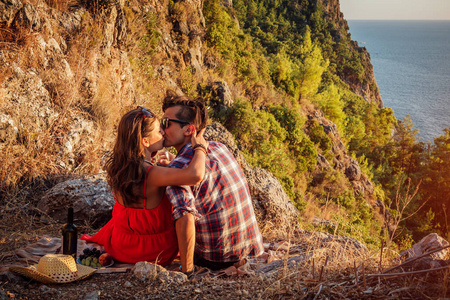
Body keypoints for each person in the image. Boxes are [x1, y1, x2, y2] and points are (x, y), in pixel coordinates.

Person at [81, 106, 208, 266]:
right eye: (158, 130)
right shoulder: (152, 174)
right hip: (154, 252)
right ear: (145, 141)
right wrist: (200, 148)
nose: (163, 132)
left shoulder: (120, 167)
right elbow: (195, 175)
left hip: (119, 245)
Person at [161, 93, 264, 275]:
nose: (161, 130)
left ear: (188, 130)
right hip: (253, 249)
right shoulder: (219, 147)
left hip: (218, 259)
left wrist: (188, 272)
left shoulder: (178, 170)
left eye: (166, 123)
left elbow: (185, 218)